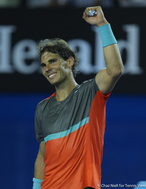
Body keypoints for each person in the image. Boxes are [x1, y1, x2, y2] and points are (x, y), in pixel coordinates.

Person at [33, 6, 124, 189]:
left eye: (52, 61)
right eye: (43, 65)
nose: (47, 68)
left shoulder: (91, 92)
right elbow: (43, 156)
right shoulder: (42, 108)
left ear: (69, 61)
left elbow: (115, 69)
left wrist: (102, 24)